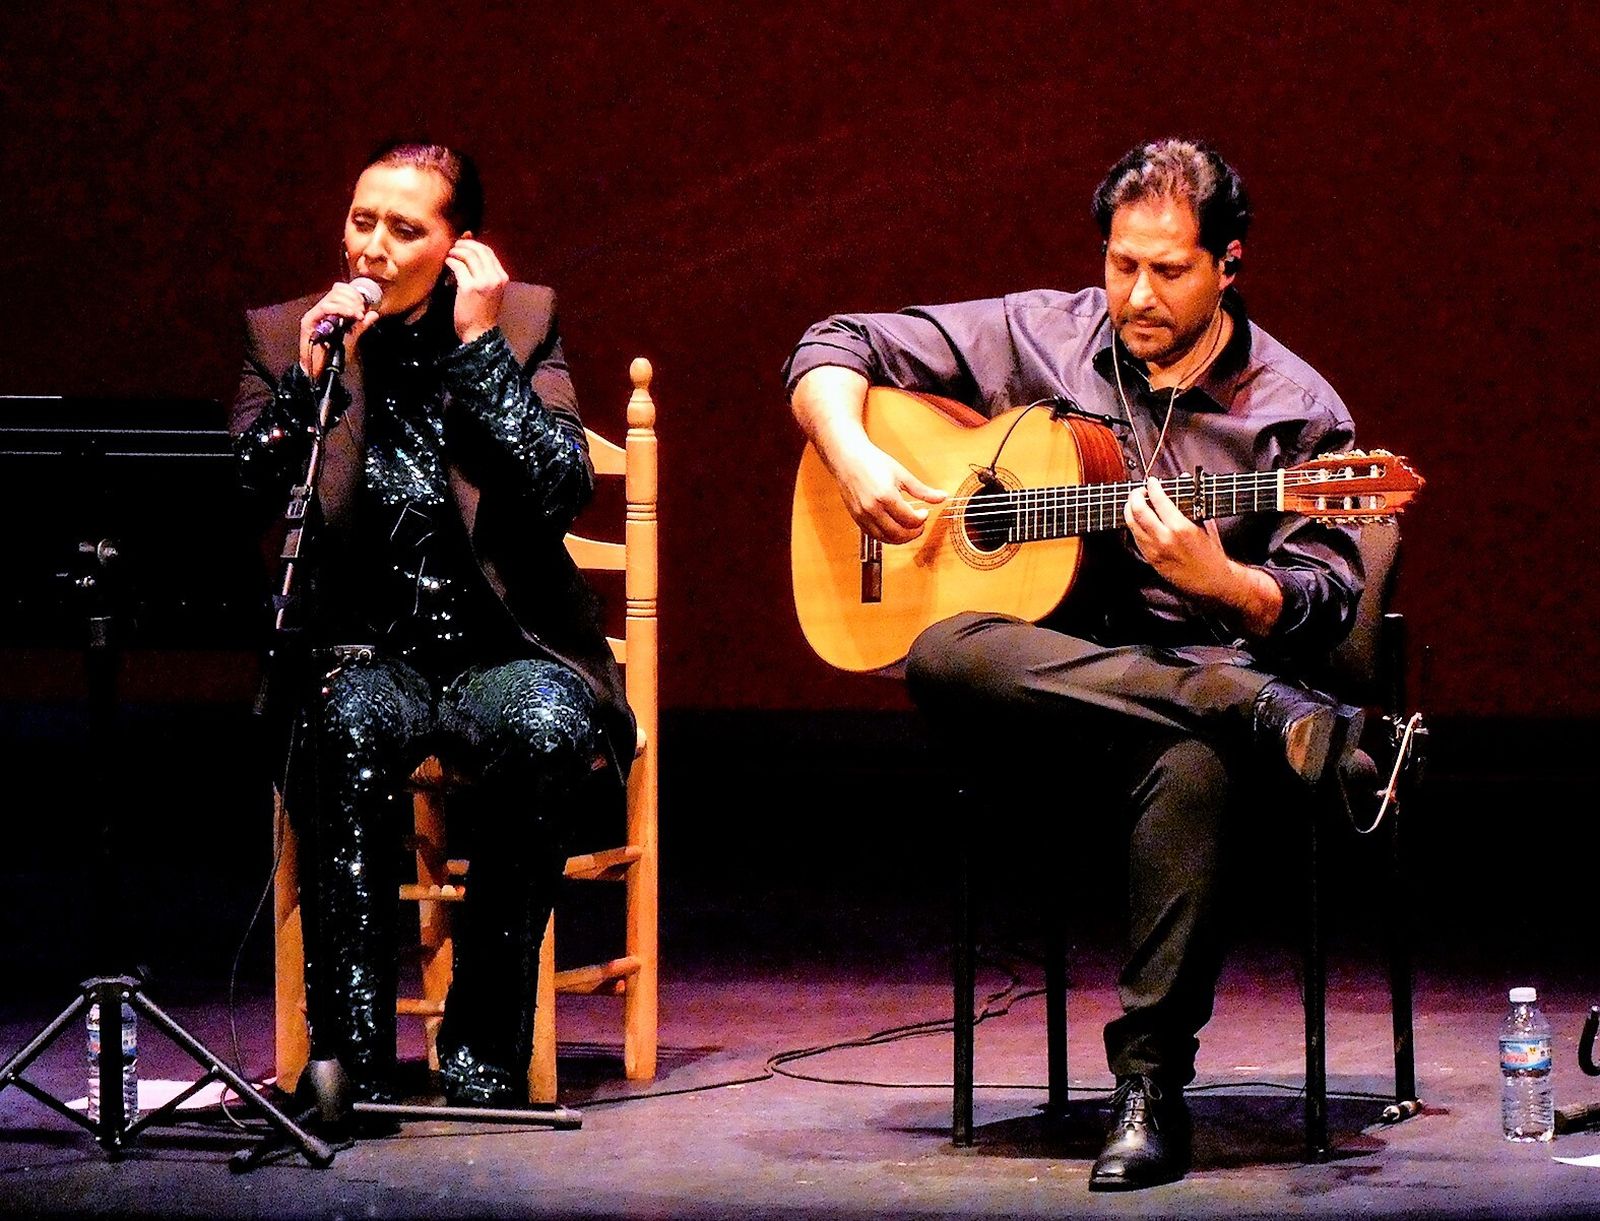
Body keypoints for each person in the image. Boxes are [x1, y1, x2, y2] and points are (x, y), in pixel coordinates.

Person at [784, 138, 1379, 1189]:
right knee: (941, 651)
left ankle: (1148, 1086)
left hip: (1166, 715)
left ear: (1228, 264)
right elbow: (831, 344)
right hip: (1035, 690)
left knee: (1191, 765)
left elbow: (1326, 597)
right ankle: (1240, 704)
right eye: (1120, 264)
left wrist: (1225, 584)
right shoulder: (1044, 331)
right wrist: (853, 452)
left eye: (1168, 269)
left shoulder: (1296, 409)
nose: (1136, 294)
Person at [230, 141, 633, 1108]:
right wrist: (308, 380)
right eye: (363, 221)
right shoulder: (287, 333)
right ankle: (352, 1063)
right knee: (341, 720)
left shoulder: (521, 321)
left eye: (405, 229)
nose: (373, 247)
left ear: (458, 248)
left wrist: (481, 347)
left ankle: (484, 1051)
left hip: (505, 648)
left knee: (546, 725)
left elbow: (560, 487)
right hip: (367, 648)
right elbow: (247, 485)